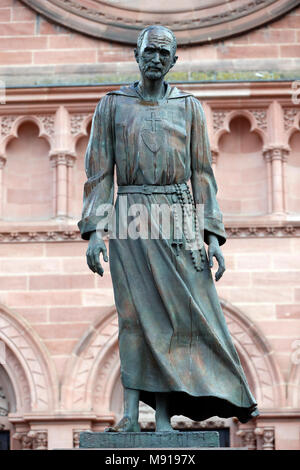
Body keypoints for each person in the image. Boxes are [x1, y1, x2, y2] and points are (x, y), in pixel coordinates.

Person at [78, 25, 259, 432]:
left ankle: (162, 418)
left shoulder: (190, 107)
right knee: (134, 317)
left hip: (178, 218)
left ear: (174, 60)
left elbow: (202, 174)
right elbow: (99, 173)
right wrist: (95, 231)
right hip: (131, 216)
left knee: (178, 318)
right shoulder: (111, 105)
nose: (156, 58)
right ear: (136, 55)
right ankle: (130, 417)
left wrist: (212, 236)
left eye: (164, 52)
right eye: (150, 51)